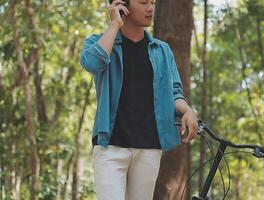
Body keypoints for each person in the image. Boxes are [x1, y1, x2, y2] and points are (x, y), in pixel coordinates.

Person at [79, 0, 198, 199]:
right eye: (143, 2)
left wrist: (187, 110)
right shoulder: (100, 42)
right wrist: (115, 25)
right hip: (111, 147)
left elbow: (174, 93)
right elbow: (92, 63)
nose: (151, 8)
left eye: (152, 2)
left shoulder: (162, 50)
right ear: (122, 6)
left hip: (149, 148)